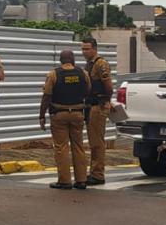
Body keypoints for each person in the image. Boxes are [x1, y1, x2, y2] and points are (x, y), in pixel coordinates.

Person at [39, 50, 90, 190]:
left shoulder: (53, 74)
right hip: (78, 113)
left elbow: (47, 96)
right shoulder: (83, 73)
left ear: (61, 60)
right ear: (73, 59)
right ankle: (81, 180)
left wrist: (42, 115)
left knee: (62, 148)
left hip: (59, 114)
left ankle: (64, 181)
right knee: (78, 147)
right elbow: (87, 91)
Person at [81, 37, 113, 185]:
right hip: (90, 105)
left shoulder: (101, 64)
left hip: (98, 105)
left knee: (97, 142)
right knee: (93, 141)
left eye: (87, 49)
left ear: (94, 48)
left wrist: (105, 101)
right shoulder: (89, 64)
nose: (84, 52)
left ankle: (98, 173)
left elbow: (108, 87)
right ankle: (94, 171)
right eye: (83, 49)